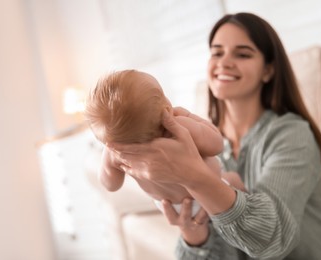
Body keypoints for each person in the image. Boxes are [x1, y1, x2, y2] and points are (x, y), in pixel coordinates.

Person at [100, 13, 321, 259]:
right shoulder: (191, 140)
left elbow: (273, 239)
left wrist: (195, 177)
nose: (224, 62)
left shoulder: (291, 134)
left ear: (268, 70)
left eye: (242, 54)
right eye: (217, 52)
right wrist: (194, 237)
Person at [84, 69, 245, 215]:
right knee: (236, 179)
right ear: (166, 110)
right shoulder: (179, 127)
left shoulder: (115, 153)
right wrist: (189, 116)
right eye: (162, 94)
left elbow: (111, 185)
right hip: (211, 188)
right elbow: (216, 145)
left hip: (173, 207)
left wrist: (108, 160)